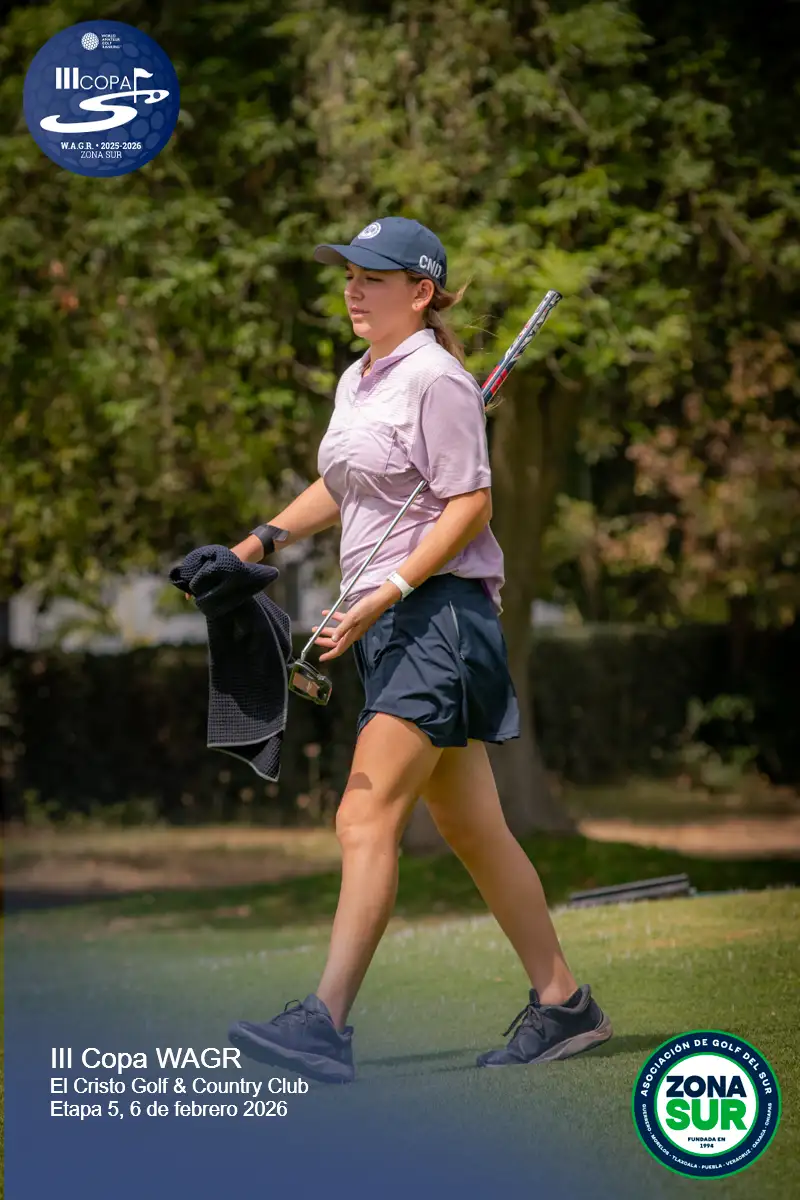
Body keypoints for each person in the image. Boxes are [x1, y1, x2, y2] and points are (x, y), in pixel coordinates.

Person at [227, 217, 612, 1083]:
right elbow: (345, 483)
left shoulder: (438, 380)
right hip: (394, 620)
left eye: (372, 276)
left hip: (435, 617)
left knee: (362, 817)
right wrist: (255, 543)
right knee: (473, 828)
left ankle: (324, 1023)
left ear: (421, 291)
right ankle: (565, 1005)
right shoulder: (360, 378)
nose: (353, 289)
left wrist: (387, 592)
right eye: (349, 274)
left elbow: (469, 505)